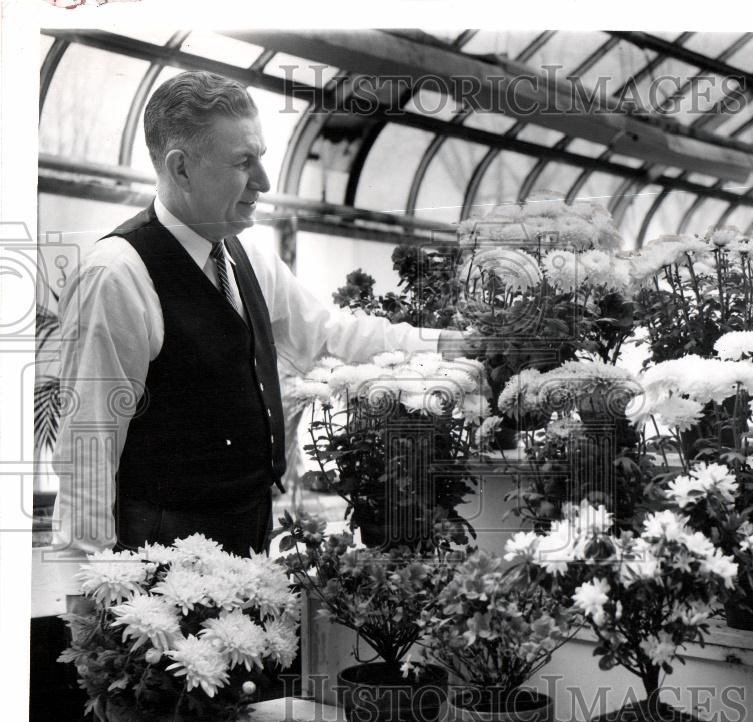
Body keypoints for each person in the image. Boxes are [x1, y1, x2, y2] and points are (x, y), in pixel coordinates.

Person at [52, 70, 467, 557]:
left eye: (262, 158)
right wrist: (88, 593)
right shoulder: (118, 275)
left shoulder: (249, 261)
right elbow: (88, 448)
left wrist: (445, 345)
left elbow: (333, 336)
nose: (264, 182)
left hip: (249, 539)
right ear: (181, 168)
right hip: (155, 560)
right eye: (243, 163)